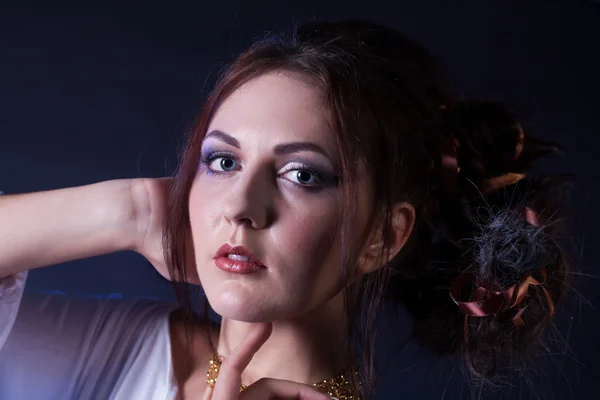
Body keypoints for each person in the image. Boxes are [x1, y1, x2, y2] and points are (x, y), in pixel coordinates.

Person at [0, 19, 573, 400]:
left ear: (382, 235)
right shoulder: (124, 347)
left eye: (302, 174)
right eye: (222, 162)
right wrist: (129, 210)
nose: (240, 208)